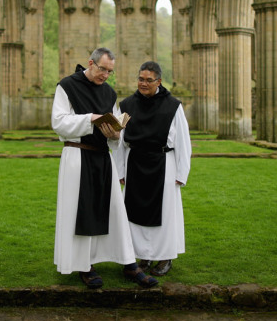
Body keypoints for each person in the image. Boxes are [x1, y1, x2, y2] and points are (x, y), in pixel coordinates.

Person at [51, 48, 158, 289]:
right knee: (81, 210)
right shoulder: (67, 86)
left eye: (110, 71)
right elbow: (58, 122)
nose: (105, 75)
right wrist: (90, 119)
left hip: (102, 158)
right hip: (77, 157)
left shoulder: (109, 93)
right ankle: (84, 265)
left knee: (114, 211)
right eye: (102, 69)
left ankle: (129, 263)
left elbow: (116, 130)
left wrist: (115, 133)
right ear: (90, 63)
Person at [117, 61, 192, 277]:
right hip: (135, 163)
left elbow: (184, 142)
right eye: (141, 79)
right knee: (134, 214)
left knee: (165, 213)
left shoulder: (173, 106)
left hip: (163, 164)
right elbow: (120, 141)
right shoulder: (126, 105)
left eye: (149, 80)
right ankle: (143, 256)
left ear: (158, 81)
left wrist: (181, 173)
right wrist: (120, 171)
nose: (143, 83)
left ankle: (165, 256)